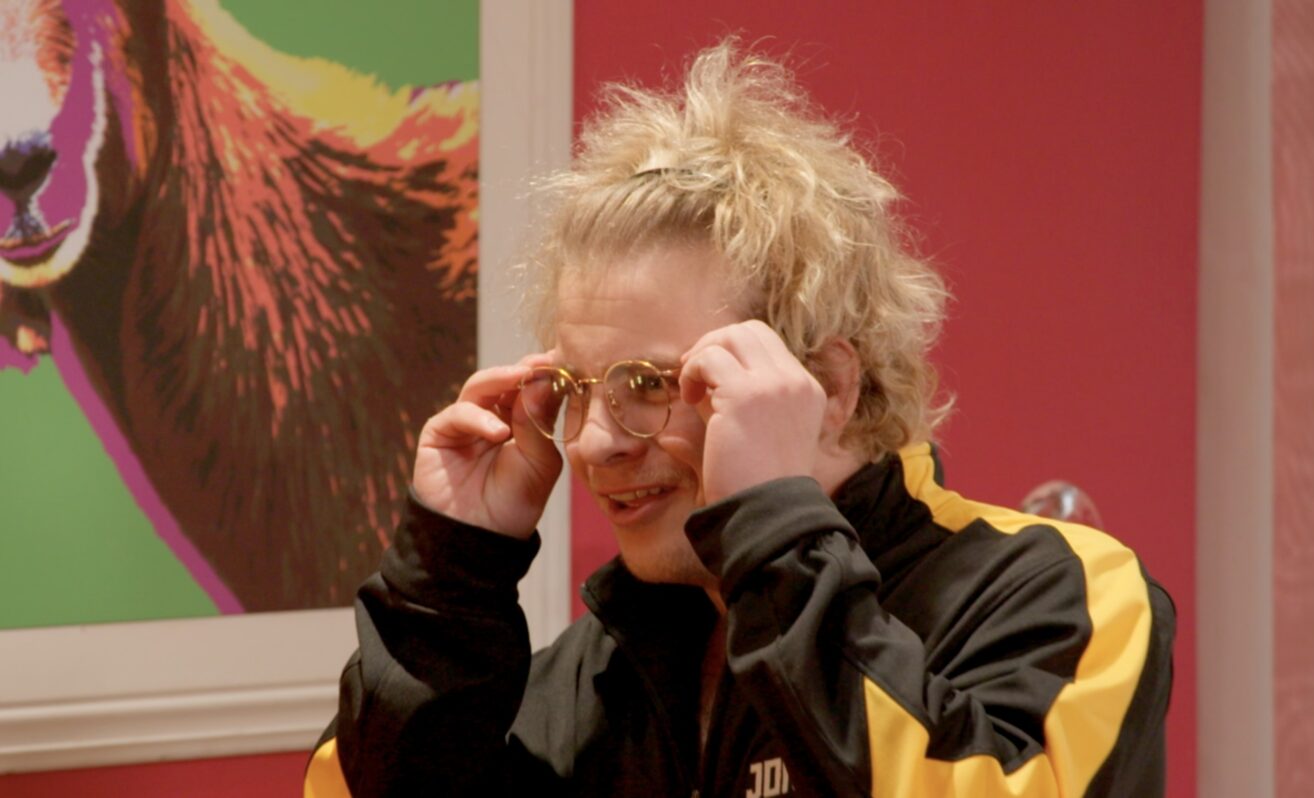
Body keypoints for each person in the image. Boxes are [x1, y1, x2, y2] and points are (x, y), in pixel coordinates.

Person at [303, 39, 1175, 798]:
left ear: (827, 384)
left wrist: (776, 537)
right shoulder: (611, 663)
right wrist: (450, 582)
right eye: (577, 388)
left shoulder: (1061, 594)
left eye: (651, 383)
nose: (595, 444)